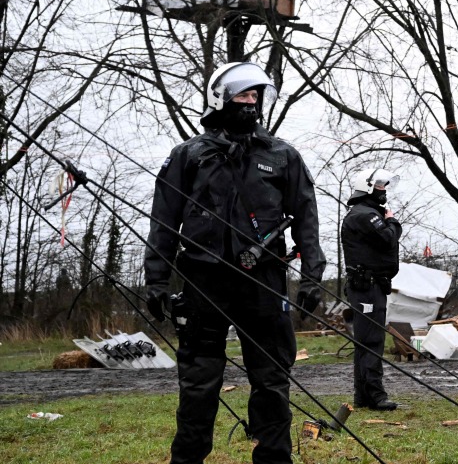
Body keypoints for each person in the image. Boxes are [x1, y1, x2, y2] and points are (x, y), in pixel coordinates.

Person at [145, 61, 326, 464]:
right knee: (198, 384)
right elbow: (163, 222)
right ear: (220, 99)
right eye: (242, 95)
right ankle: (187, 459)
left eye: (255, 97)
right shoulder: (188, 156)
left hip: (264, 282)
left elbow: (307, 219)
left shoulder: (282, 156)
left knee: (272, 380)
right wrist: (155, 280)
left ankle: (274, 458)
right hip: (202, 281)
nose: (250, 103)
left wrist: (312, 276)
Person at [341, 167, 403, 411]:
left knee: (366, 341)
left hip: (372, 285)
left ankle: (363, 396)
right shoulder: (364, 215)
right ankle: (375, 396)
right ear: (367, 187)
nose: (383, 190)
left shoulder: (365, 213)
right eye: (379, 186)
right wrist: (392, 220)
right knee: (371, 341)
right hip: (365, 286)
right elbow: (388, 237)